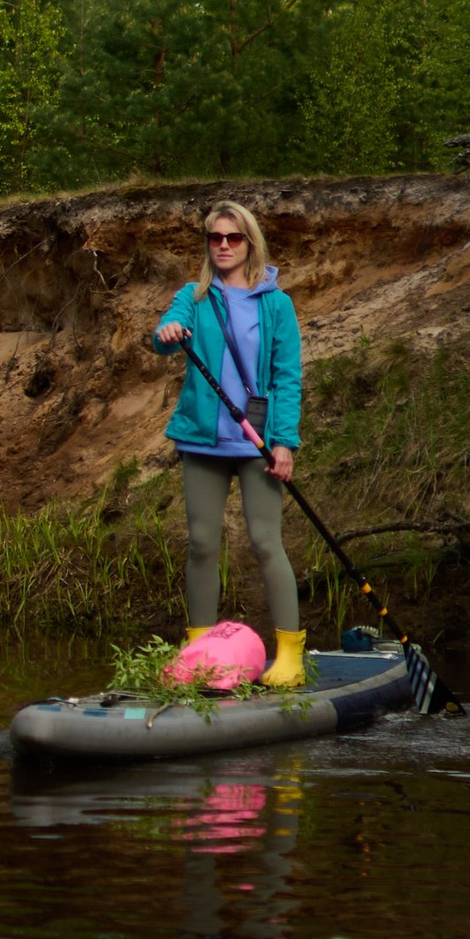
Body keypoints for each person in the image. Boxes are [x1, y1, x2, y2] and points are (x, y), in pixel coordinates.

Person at [150, 198, 306, 689]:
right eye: (214, 238)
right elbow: (162, 335)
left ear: (249, 243)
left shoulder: (275, 303)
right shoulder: (193, 297)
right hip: (202, 440)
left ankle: (289, 656)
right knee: (200, 544)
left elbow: (287, 377)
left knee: (264, 542)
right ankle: (198, 653)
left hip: (257, 444)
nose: (222, 245)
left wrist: (284, 443)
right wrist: (167, 332)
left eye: (232, 238)